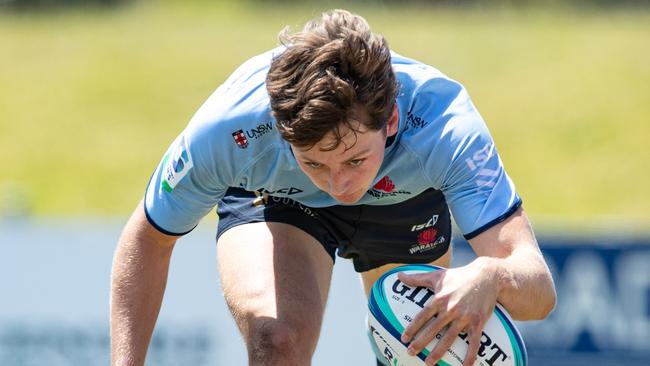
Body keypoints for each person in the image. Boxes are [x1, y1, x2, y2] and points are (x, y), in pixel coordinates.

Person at [110, 9, 556, 366]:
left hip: (407, 200)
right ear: (284, 134)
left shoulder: (447, 130)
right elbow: (149, 238)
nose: (339, 184)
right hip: (281, 196)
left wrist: (491, 275)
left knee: (419, 352)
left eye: (354, 159)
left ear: (392, 121)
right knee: (277, 342)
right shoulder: (230, 130)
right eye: (315, 162)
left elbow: (539, 291)